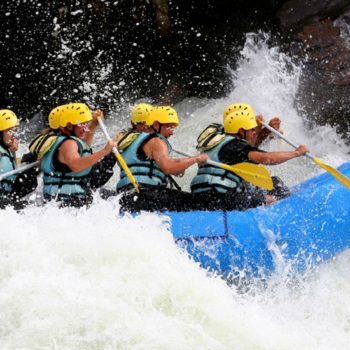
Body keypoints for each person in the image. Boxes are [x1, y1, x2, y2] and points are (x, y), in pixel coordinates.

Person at [190, 103, 309, 210]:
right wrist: (296, 153)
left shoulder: (218, 135)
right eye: (252, 130)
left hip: (204, 193)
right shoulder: (235, 146)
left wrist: (264, 131)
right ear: (241, 131)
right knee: (271, 194)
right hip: (221, 198)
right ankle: (290, 211)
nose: (254, 132)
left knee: (273, 182)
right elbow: (266, 158)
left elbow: (249, 147)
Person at [117, 105, 209, 213]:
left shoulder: (133, 139)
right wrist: (196, 159)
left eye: (173, 128)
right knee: (198, 201)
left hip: (126, 195)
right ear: (156, 124)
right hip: (145, 195)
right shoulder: (156, 141)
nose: (172, 132)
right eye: (169, 127)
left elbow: (159, 164)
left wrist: (180, 166)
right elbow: (168, 168)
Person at [40, 102, 118, 207]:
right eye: (82, 124)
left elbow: (84, 148)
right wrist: (104, 151)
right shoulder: (68, 143)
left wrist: (94, 124)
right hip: (67, 201)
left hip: (61, 200)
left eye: (86, 123)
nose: (86, 128)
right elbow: (76, 165)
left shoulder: (60, 141)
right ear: (69, 125)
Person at [0, 109, 39, 209]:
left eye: (15, 131)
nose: (14, 135)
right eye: (10, 131)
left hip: (6, 196)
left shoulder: (6, 150)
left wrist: (13, 151)